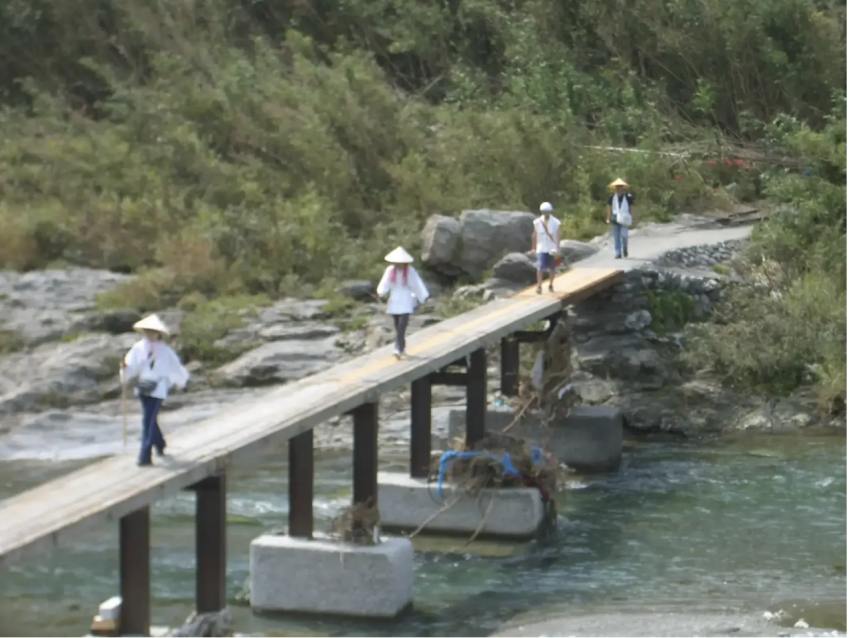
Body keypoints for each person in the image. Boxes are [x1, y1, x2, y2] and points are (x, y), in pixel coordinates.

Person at [120, 314, 190, 466]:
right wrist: (125, 369)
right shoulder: (139, 348)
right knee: (150, 419)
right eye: (146, 331)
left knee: (148, 420)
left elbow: (176, 368)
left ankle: (144, 456)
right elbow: (131, 365)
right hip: (144, 387)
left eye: (152, 331)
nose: (149, 334)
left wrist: (181, 382)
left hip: (158, 388)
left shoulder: (166, 351)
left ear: (159, 333)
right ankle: (160, 443)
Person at [376, 247, 430, 359]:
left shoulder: (410, 271)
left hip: (406, 298)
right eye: (397, 262)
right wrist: (380, 292)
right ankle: (402, 345)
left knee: (402, 325)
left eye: (401, 262)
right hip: (394, 299)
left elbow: (417, 285)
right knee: (397, 325)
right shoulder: (390, 270)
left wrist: (422, 298)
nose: (398, 264)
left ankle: (398, 348)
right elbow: (385, 283)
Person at [531, 202, 561, 294]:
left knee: (552, 268)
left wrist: (558, 249)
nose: (545, 213)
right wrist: (533, 248)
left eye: (547, 211)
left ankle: (551, 285)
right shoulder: (537, 222)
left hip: (553, 248)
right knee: (540, 268)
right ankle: (539, 286)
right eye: (544, 211)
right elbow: (534, 235)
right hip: (541, 248)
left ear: (550, 211)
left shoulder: (556, 222)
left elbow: (558, 235)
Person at [606, 178, 636, 259]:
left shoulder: (627, 196)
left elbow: (631, 207)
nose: (619, 188)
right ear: (615, 188)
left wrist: (633, 217)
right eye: (617, 187)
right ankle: (618, 252)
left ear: (623, 188)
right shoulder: (612, 197)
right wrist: (608, 218)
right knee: (616, 236)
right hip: (615, 217)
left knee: (624, 235)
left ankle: (625, 249)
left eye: (620, 186)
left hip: (625, 217)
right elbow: (609, 208)